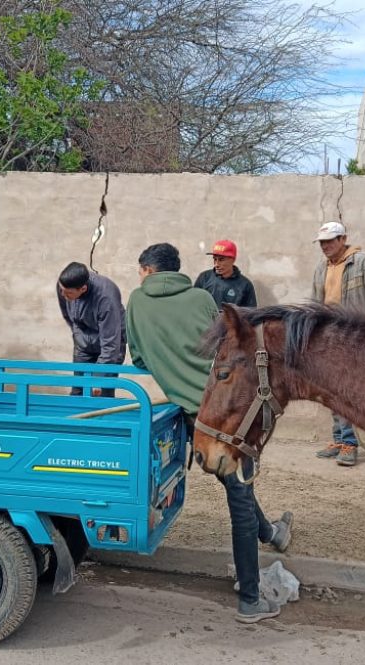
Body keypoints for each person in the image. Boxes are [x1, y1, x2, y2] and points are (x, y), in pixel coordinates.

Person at [126, 242, 292, 624]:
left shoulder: (135, 302)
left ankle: (271, 533)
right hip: (224, 411)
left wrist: (172, 372)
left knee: (234, 483)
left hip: (189, 416)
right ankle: (250, 598)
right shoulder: (201, 298)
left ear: (148, 270)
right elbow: (228, 351)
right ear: (175, 269)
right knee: (239, 494)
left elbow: (138, 358)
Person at [311, 221, 365, 467]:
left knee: (345, 392)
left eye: (329, 241)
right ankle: (339, 439)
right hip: (329, 339)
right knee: (332, 391)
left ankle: (349, 443)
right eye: (322, 243)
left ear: (343, 239)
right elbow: (316, 305)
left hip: (357, 339)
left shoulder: (363, 264)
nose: (325, 246)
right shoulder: (321, 269)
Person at [56, 262, 126, 397]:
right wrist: (78, 336)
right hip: (83, 342)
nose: (63, 295)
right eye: (61, 290)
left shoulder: (106, 298)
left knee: (101, 393)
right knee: (78, 391)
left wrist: (98, 378)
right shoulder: (64, 286)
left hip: (111, 344)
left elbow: (110, 345)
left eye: (68, 293)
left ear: (83, 288)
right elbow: (68, 315)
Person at [194, 239, 257, 307]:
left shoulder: (245, 285)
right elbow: (194, 303)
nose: (216, 264)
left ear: (233, 260)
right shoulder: (204, 278)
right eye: (215, 259)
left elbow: (251, 311)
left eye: (221, 260)